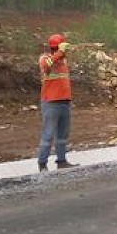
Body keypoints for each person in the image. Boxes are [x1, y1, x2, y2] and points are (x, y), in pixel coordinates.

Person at [37, 34, 77, 172]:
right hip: (51, 102)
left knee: (62, 134)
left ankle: (61, 160)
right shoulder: (45, 58)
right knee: (48, 134)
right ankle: (42, 164)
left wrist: (61, 55)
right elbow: (46, 66)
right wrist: (59, 53)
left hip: (64, 102)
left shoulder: (63, 61)